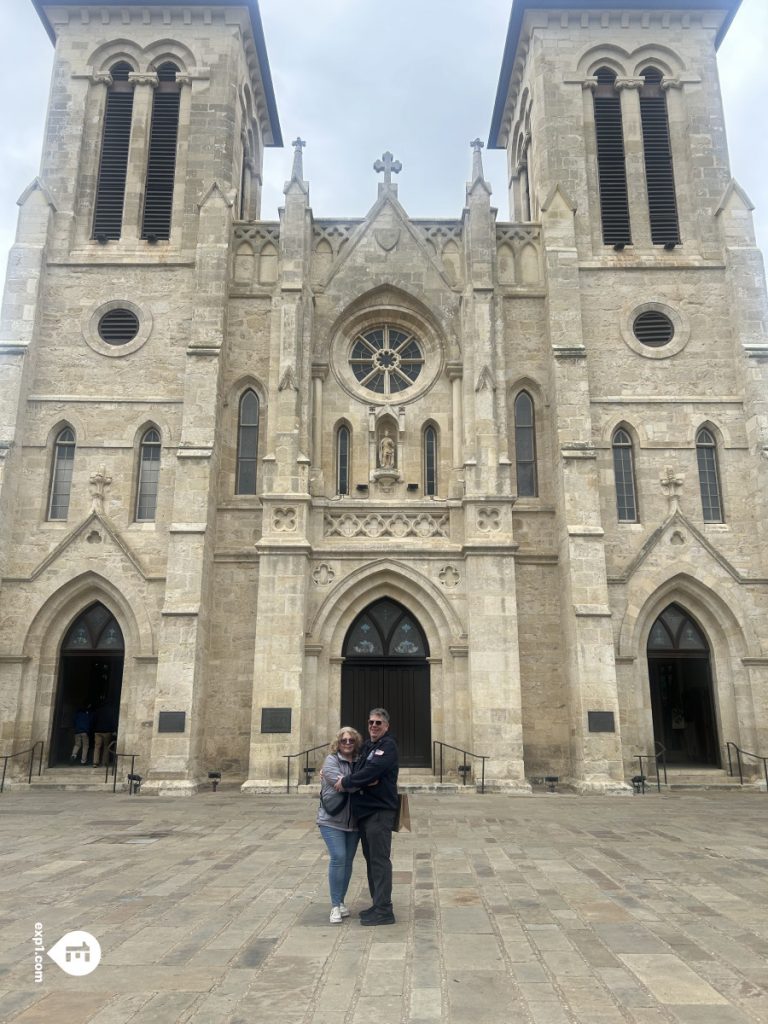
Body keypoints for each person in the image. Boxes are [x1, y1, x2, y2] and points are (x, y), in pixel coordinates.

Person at [336, 707, 399, 926]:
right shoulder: (370, 746)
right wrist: (361, 779)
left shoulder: (388, 746)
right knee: (372, 861)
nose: (373, 726)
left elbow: (371, 772)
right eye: (371, 722)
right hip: (367, 813)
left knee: (379, 860)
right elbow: (362, 773)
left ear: (386, 726)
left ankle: (384, 910)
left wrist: (346, 782)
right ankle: (377, 904)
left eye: (378, 723)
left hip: (379, 813)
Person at [317, 727, 363, 924]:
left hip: (354, 821)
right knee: (339, 857)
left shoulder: (360, 761)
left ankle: (341, 901)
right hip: (331, 819)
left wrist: (352, 781)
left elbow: (350, 783)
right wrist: (364, 781)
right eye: (344, 740)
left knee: (348, 861)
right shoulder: (330, 761)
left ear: (356, 743)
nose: (347, 743)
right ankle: (335, 905)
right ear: (338, 742)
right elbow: (349, 785)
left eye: (351, 740)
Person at [92, 703, 117, 768]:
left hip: (98, 731)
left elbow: (93, 721)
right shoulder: (110, 711)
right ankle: (105, 762)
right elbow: (112, 721)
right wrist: (113, 730)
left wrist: (94, 729)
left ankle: (95, 762)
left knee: (97, 747)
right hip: (107, 731)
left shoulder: (97, 711)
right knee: (106, 747)